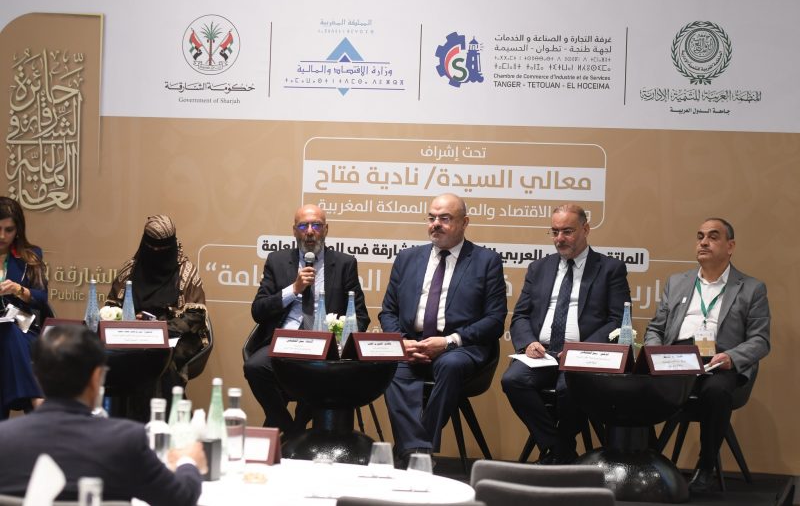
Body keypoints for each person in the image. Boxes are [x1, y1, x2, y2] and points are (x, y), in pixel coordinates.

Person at [0, 323, 206, 504]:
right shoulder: (127, 441)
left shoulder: (4, 439)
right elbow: (181, 499)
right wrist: (188, 462)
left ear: (36, 376)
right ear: (96, 377)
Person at [379, 194, 507, 466]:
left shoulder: (486, 261)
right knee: (390, 365)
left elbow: (495, 320)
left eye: (445, 218)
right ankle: (419, 453)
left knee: (450, 365)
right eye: (432, 217)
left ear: (464, 222)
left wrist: (449, 341)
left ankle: (415, 449)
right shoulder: (407, 258)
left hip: (460, 348)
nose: (436, 224)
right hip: (413, 344)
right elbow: (388, 311)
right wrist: (402, 343)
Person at [644, 217, 770, 493]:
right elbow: (656, 328)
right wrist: (654, 353)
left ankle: (705, 466)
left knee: (716, 392)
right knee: (637, 384)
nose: (703, 242)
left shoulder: (751, 288)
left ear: (730, 246)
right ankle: (650, 459)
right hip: (677, 359)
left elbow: (760, 340)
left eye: (713, 237)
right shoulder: (677, 282)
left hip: (720, 362)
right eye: (700, 236)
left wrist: (732, 357)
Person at [501, 204, 630, 464]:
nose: (559, 238)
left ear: (586, 229)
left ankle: (559, 451)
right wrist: (528, 343)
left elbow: (617, 321)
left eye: (567, 231)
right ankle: (559, 448)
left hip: (583, 355)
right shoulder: (539, 268)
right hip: (543, 353)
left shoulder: (610, 269)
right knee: (513, 380)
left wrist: (580, 349)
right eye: (555, 232)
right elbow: (521, 315)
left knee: (569, 387)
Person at [245, 204, 370, 433]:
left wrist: (341, 337)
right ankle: (293, 431)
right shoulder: (277, 261)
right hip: (286, 341)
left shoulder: (344, 263)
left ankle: (296, 430)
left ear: (326, 229)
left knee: (320, 376)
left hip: (325, 346)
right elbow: (258, 310)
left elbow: (361, 316)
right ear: (294, 231)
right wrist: (293, 289)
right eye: (303, 226)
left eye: (316, 225)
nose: (310, 231)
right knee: (254, 367)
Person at [106, 215, 209, 394]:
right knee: (107, 355)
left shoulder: (186, 273)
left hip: (175, 336)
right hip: (132, 334)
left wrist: (159, 328)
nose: (155, 251)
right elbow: (111, 308)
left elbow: (195, 316)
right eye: (151, 247)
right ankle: (119, 407)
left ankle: (163, 408)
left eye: (162, 248)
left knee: (160, 360)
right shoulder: (130, 271)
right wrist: (129, 322)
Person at [0, 196, 48, 419]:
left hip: (22, 325)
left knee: (9, 331)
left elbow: (41, 298)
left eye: (8, 230)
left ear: (18, 230)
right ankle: (35, 398)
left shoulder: (31, 256)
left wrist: (19, 290)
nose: (2, 236)